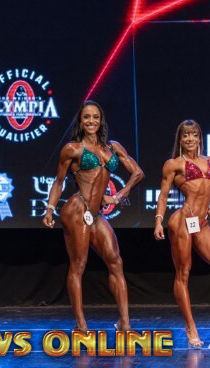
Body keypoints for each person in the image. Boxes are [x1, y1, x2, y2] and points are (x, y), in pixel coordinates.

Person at [43, 100, 144, 331]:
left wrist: (119, 195)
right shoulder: (73, 149)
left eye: (95, 117)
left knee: (115, 261)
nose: (91, 121)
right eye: (87, 117)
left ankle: (125, 322)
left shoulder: (112, 147)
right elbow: (58, 181)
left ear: (101, 121)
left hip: (96, 213)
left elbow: (138, 173)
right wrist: (50, 208)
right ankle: (80, 324)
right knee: (78, 264)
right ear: (80, 121)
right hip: (77, 209)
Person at [154, 120, 210, 348]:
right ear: (180, 139)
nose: (190, 138)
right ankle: (190, 327)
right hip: (182, 222)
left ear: (199, 137)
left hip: (201, 224)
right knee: (183, 274)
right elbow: (163, 195)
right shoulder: (173, 164)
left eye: (194, 134)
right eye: (185, 135)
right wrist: (158, 221)